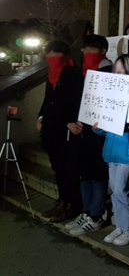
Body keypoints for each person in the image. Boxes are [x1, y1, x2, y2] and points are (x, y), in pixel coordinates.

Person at [91, 54, 129, 246]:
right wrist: (98, 128)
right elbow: (106, 127)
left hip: (128, 151)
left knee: (121, 190)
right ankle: (122, 226)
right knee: (116, 190)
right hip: (113, 149)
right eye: (116, 71)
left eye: (122, 71)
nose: (118, 75)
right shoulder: (111, 95)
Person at [66, 34, 112, 237]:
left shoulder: (109, 71)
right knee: (84, 174)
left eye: (91, 48)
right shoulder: (81, 72)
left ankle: (96, 216)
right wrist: (72, 121)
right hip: (81, 130)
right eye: (85, 48)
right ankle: (86, 212)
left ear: (103, 50)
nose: (86, 52)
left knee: (97, 175)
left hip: (99, 132)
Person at [37, 40, 83, 223]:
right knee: (58, 169)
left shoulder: (74, 74)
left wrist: (69, 122)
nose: (51, 58)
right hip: (51, 130)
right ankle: (62, 201)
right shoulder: (51, 75)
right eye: (49, 54)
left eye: (55, 54)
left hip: (67, 131)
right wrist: (40, 118)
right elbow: (48, 100)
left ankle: (71, 205)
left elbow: (74, 102)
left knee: (68, 170)